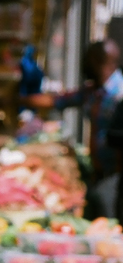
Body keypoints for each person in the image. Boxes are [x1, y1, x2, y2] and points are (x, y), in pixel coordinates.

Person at [23, 39, 123, 216]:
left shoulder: (119, 94)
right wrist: (19, 100)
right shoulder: (93, 92)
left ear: (101, 62)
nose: (84, 65)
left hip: (116, 177)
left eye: (89, 59)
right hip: (98, 173)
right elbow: (58, 100)